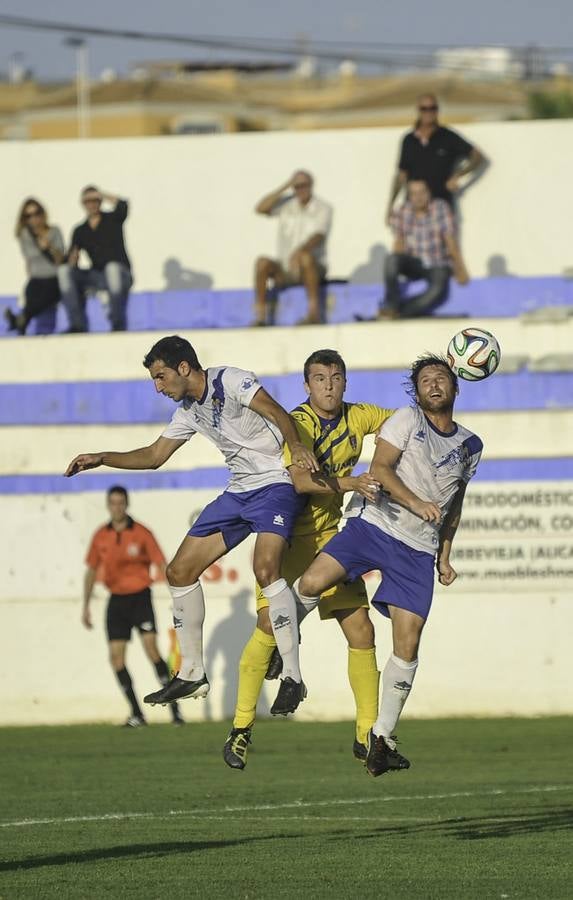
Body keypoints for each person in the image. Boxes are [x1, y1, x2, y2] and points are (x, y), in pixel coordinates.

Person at [65, 335, 318, 718]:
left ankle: (293, 677)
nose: (158, 386)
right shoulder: (187, 410)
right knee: (179, 571)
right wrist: (102, 458)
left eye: (161, 376)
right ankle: (192, 672)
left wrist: (296, 446)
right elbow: (154, 456)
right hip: (239, 492)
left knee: (265, 569)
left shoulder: (230, 380)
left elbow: (278, 412)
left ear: (184, 367)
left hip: (276, 484)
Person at [291, 355, 483, 777]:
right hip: (376, 524)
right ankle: (285, 658)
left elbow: (455, 504)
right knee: (311, 581)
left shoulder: (471, 445)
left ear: (456, 388)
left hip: (419, 549)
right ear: (416, 392)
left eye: (441, 379)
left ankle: (382, 739)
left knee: (408, 643)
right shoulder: (406, 419)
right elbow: (379, 468)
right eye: (426, 380)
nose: (433, 384)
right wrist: (414, 502)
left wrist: (445, 555)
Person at [224, 349, 394, 770]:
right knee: (267, 626)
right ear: (307, 385)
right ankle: (241, 729)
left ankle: (366, 735)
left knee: (362, 629)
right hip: (285, 537)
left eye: (336, 377)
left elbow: (403, 425)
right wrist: (352, 481)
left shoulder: (360, 415)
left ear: (346, 381)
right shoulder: (298, 424)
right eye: (320, 379)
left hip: (330, 539)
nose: (329, 385)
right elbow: (300, 481)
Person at [83, 485, 183, 727]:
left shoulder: (141, 532)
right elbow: (91, 570)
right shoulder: (101, 535)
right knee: (116, 659)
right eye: (113, 503)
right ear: (108, 505)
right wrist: (85, 604)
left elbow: (161, 564)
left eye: (120, 503)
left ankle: (175, 710)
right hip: (116, 600)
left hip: (140, 597)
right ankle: (137, 713)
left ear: (126, 504)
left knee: (152, 651)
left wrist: (176, 597)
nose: (117, 507)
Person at [386, 93, 484, 222]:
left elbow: (477, 156)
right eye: (424, 109)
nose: (428, 112)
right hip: (414, 209)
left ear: (437, 110)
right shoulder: (408, 140)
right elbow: (401, 174)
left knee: (447, 242)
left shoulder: (448, 137)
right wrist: (390, 206)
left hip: (440, 206)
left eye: (432, 108)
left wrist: (458, 175)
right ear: (418, 110)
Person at [379, 179, 469, 319]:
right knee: (391, 260)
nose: (419, 197)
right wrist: (396, 267)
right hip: (414, 263)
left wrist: (460, 269)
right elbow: (399, 242)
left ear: (429, 193)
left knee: (436, 291)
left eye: (422, 192)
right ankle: (391, 305)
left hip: (437, 263)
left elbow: (450, 241)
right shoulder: (403, 210)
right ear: (409, 196)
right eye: (414, 194)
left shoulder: (441, 208)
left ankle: (401, 313)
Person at [253, 170, 332, 326]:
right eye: (297, 186)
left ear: (311, 185)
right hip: (286, 268)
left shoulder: (323, 208)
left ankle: (313, 314)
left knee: (306, 258)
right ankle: (261, 317)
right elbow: (261, 209)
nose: (300, 189)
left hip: (310, 268)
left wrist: (300, 251)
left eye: (304, 185)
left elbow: (319, 235)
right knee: (262, 263)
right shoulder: (287, 205)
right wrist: (285, 187)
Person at [59, 185, 133, 333]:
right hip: (97, 275)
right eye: (88, 201)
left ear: (100, 201)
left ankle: (118, 325)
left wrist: (102, 193)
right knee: (64, 271)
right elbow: (72, 255)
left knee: (112, 268)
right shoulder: (80, 230)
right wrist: (72, 260)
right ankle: (77, 325)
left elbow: (123, 205)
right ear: (83, 204)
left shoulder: (113, 219)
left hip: (120, 273)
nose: (92, 204)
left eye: (95, 200)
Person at [4, 198, 64, 336]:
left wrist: (49, 247)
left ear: (42, 213)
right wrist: (40, 245)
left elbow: (60, 259)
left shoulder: (54, 231)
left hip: (53, 278)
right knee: (31, 293)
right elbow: (30, 255)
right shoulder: (26, 235)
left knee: (48, 295)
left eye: (37, 213)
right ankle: (22, 323)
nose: (34, 218)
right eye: (29, 216)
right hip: (37, 278)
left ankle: (19, 320)